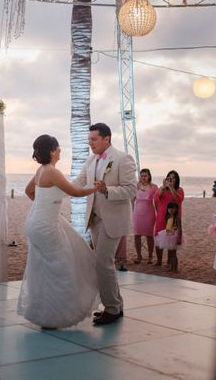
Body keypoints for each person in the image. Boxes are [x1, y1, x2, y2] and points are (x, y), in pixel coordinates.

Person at [16, 134, 99, 329]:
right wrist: (94, 188)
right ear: (52, 151)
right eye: (59, 148)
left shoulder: (40, 170)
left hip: (35, 223)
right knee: (62, 266)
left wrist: (46, 207)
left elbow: (29, 191)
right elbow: (75, 193)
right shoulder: (52, 172)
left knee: (43, 268)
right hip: (46, 226)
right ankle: (55, 316)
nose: (61, 151)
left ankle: (44, 313)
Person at [73, 123, 137, 326]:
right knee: (104, 264)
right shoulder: (91, 160)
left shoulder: (122, 159)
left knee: (102, 263)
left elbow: (131, 190)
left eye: (94, 139)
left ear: (106, 139)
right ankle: (116, 305)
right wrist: (55, 188)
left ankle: (111, 309)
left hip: (113, 219)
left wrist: (106, 190)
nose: (90, 143)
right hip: (94, 220)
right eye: (89, 139)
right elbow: (78, 182)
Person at [153, 170, 184, 267]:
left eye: (173, 177)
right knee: (159, 238)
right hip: (162, 216)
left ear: (177, 179)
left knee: (171, 239)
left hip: (173, 217)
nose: (171, 179)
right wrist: (163, 187)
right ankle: (159, 261)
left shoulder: (179, 189)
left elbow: (179, 199)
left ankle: (169, 261)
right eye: (169, 177)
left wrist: (171, 188)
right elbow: (156, 199)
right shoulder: (162, 188)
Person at [132, 168, 159, 264]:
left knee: (149, 236)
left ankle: (150, 256)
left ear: (149, 176)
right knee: (137, 235)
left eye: (145, 176)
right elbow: (132, 199)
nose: (143, 178)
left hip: (149, 213)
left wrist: (159, 212)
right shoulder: (136, 186)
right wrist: (132, 210)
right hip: (137, 213)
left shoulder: (154, 187)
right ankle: (139, 256)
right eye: (142, 176)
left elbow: (157, 201)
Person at [155, 202, 183, 272]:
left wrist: (179, 238)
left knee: (174, 254)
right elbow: (168, 226)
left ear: (176, 209)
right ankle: (171, 267)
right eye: (169, 208)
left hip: (174, 236)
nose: (170, 210)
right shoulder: (168, 217)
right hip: (168, 235)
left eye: (172, 208)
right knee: (171, 254)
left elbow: (180, 229)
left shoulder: (177, 218)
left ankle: (175, 269)